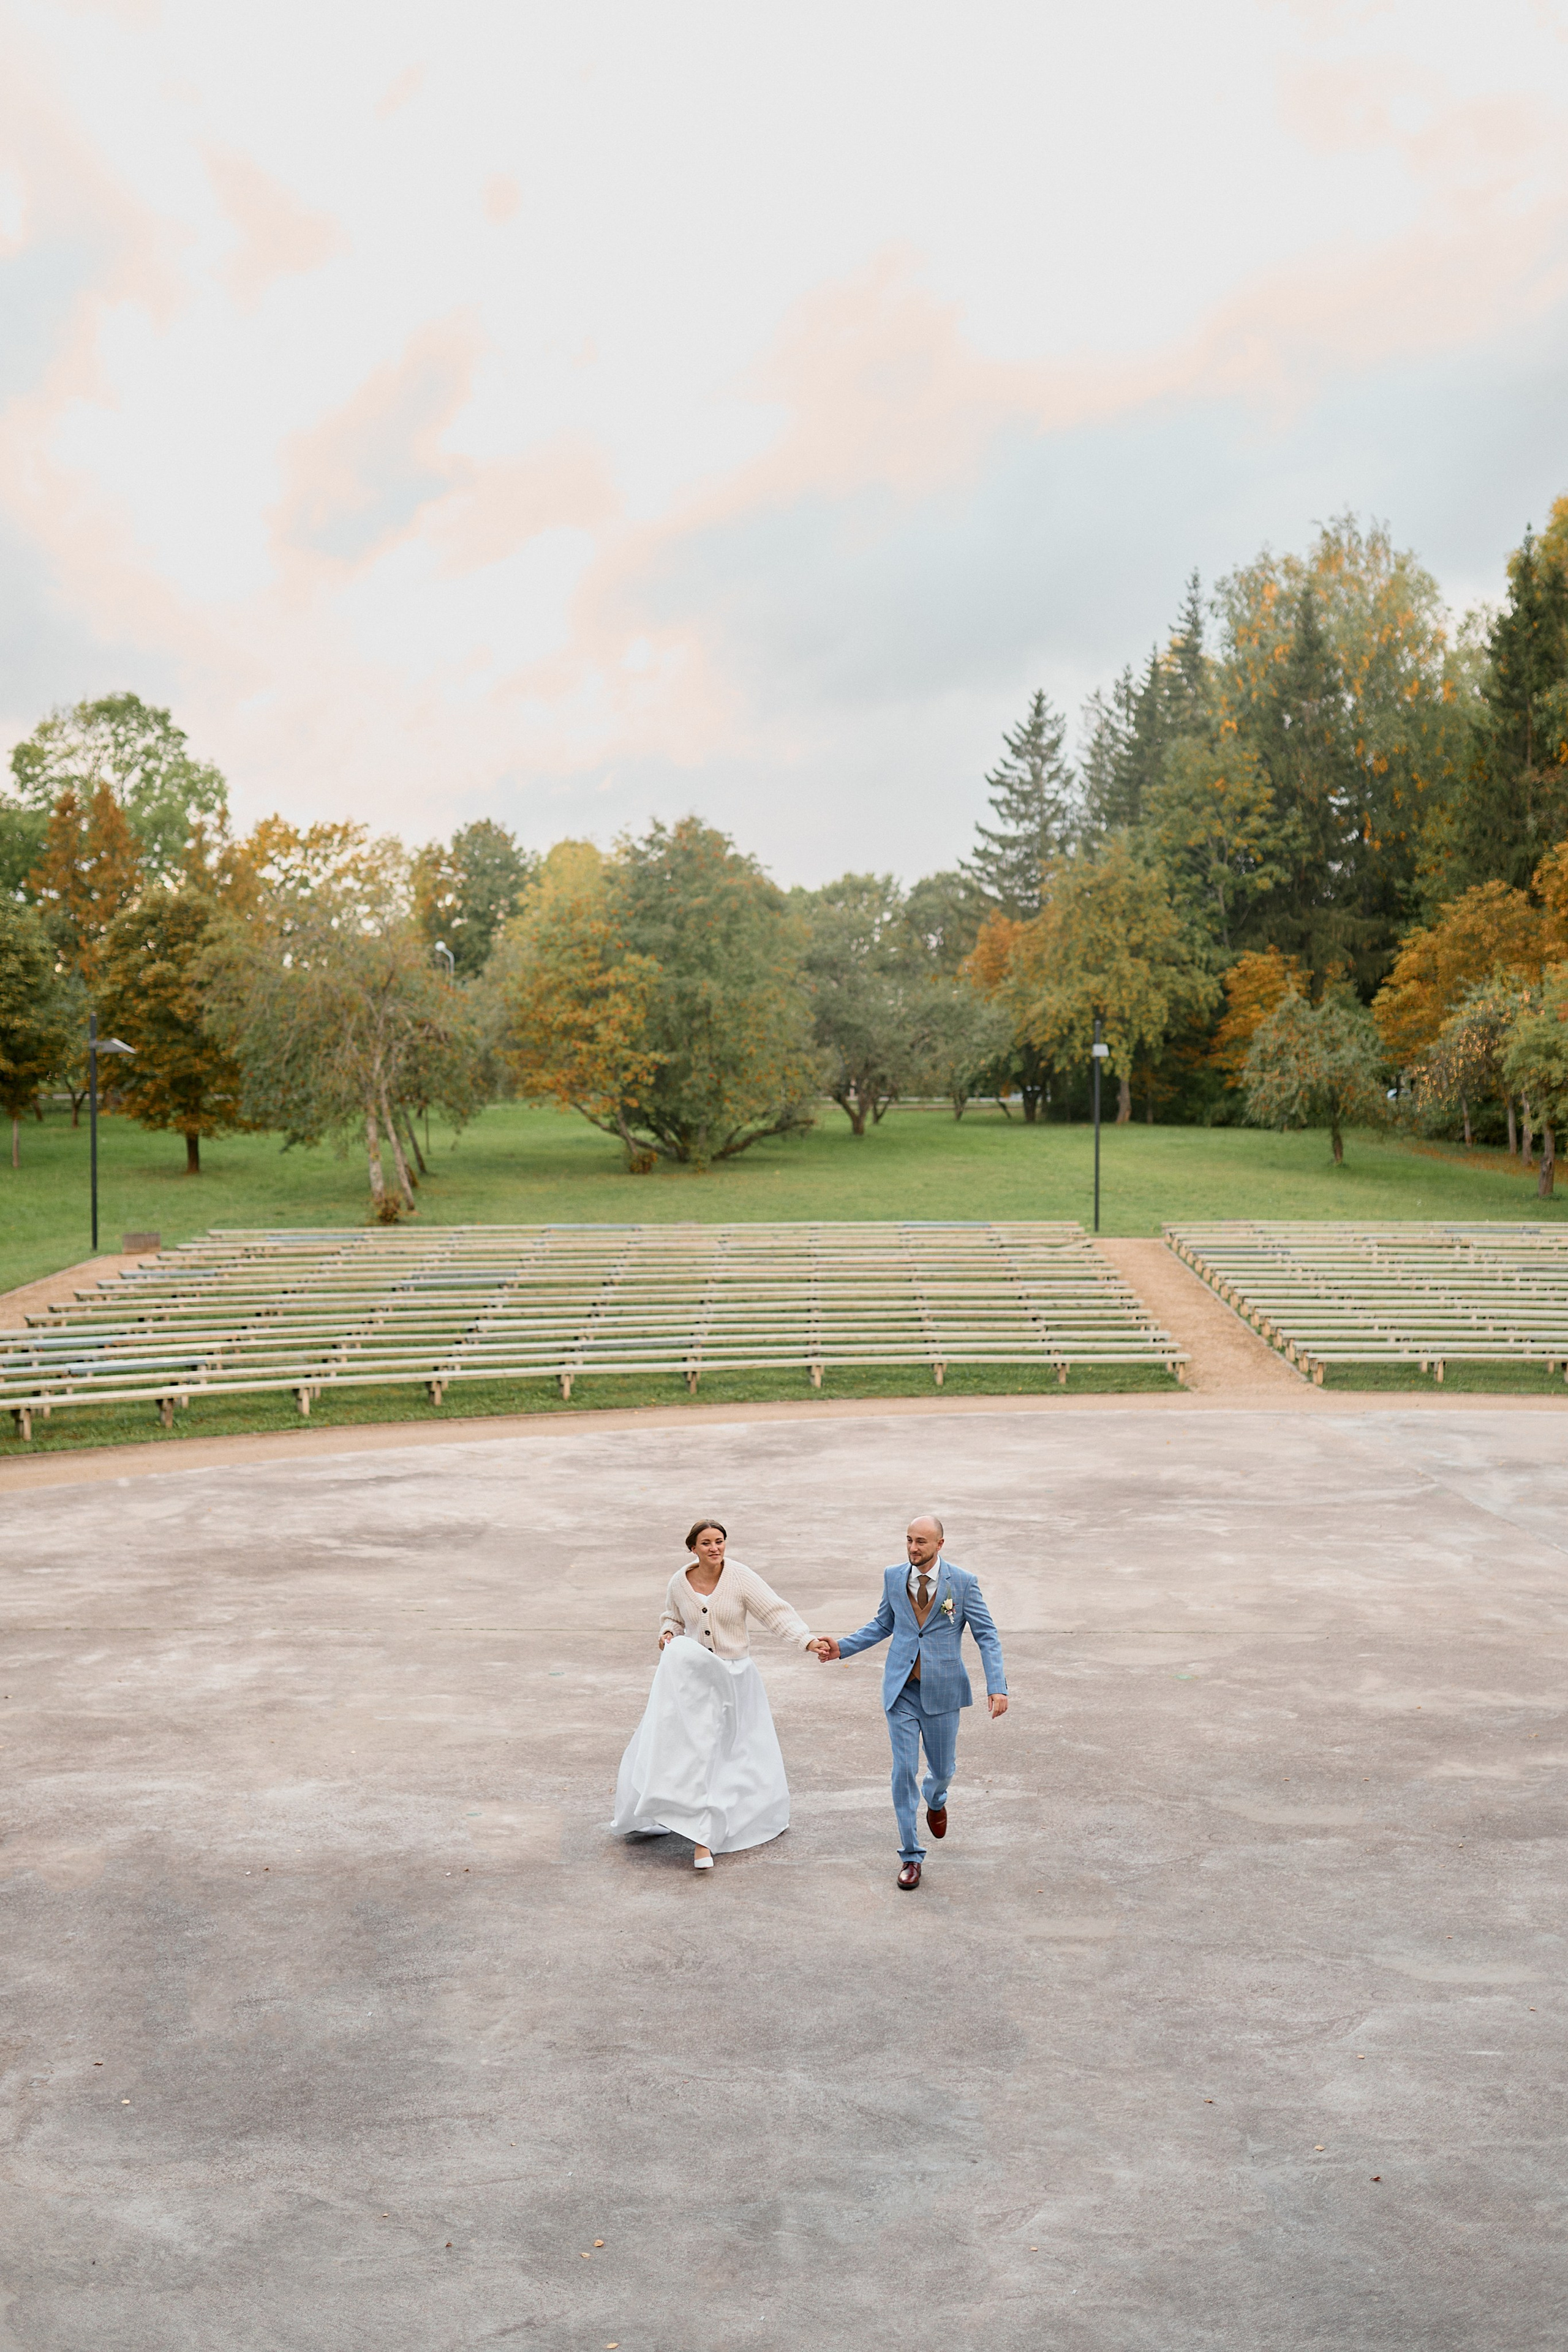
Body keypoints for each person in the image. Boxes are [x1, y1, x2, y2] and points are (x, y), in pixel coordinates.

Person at [612, 1518, 832, 1871]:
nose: (715, 1548)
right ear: (693, 1548)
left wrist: (807, 1641)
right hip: (695, 1677)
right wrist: (668, 1634)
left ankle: (718, 1826)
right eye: (706, 1543)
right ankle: (701, 1836)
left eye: (720, 1541)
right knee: (696, 1751)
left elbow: (775, 1613)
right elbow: (672, 1618)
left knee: (732, 1753)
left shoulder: (740, 1577)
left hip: (735, 1677)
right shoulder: (679, 1582)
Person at [815, 1514, 1007, 1890]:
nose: (913, 1548)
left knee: (943, 1769)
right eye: (908, 1540)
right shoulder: (893, 1576)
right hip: (901, 1689)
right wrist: (842, 1648)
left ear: (940, 1544)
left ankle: (936, 1798)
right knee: (903, 1771)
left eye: (921, 1542)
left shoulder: (963, 1583)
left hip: (943, 1692)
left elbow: (987, 1635)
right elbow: (882, 1624)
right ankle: (911, 1855)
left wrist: (996, 1686)